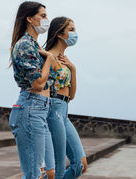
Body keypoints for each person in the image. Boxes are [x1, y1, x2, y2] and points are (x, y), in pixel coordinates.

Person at [9, 1, 56, 179]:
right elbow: (38, 83)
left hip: (40, 108)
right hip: (31, 108)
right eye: (42, 16)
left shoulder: (36, 46)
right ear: (29, 18)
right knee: (34, 174)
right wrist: (50, 60)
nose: (46, 20)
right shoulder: (25, 45)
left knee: (46, 171)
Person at [45, 17, 87, 178]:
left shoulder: (66, 61)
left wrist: (73, 69)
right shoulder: (48, 56)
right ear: (60, 34)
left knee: (80, 164)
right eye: (71, 29)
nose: (74, 33)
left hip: (64, 111)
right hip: (53, 109)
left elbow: (72, 95)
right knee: (58, 167)